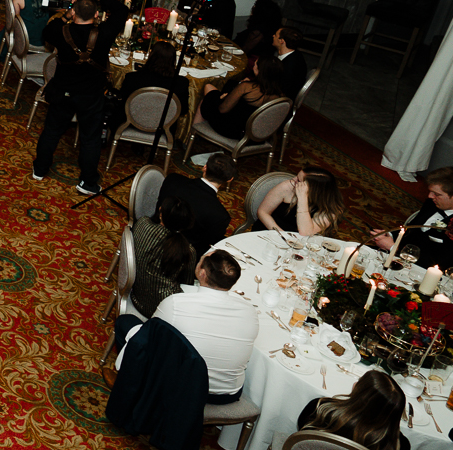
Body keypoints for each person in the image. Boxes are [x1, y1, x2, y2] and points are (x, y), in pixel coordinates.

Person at [122, 251, 258, 404]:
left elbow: (148, 338)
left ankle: (132, 391)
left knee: (126, 323)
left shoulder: (175, 303)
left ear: (202, 273)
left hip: (180, 387)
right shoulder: (250, 312)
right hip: (225, 394)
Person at [32, 0, 122, 195]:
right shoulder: (105, 33)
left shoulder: (60, 30)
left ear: (73, 13)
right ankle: (88, 182)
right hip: (91, 96)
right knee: (90, 139)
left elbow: (46, 32)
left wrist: (65, 16)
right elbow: (121, 11)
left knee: (52, 131)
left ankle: (40, 169)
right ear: (97, 15)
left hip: (63, 91)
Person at [373, 165, 453, 273]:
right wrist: (389, 235)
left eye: (436, 194)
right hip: (403, 255)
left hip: (431, 273)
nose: (430, 196)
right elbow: (412, 228)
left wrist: (393, 248)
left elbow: (442, 264)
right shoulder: (434, 203)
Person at [294, 370, 411, 450]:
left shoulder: (320, 410)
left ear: (360, 395)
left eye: (359, 382)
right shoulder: (400, 448)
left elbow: (298, 439)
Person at [154, 154, 236, 255]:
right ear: (229, 179)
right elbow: (208, 243)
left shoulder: (173, 179)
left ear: (204, 167)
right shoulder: (220, 216)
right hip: (181, 255)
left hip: (152, 234)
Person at [196, 51, 283, 141]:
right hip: (256, 135)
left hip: (233, 131)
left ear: (259, 70)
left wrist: (223, 97)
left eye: (256, 63)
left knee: (207, 99)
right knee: (213, 93)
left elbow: (223, 109)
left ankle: (190, 138)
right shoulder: (281, 96)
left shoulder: (246, 87)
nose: (254, 64)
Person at [256, 165, 345, 237]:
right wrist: (282, 235)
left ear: (313, 190)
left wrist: (302, 198)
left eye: (298, 180)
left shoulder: (332, 208)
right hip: (270, 231)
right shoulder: (288, 187)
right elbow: (262, 212)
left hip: (300, 242)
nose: (293, 180)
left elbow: (306, 232)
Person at [271, 25, 310, 98]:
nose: (273, 36)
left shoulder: (289, 66)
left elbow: (278, 89)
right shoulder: (296, 54)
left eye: (275, 35)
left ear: (281, 41)